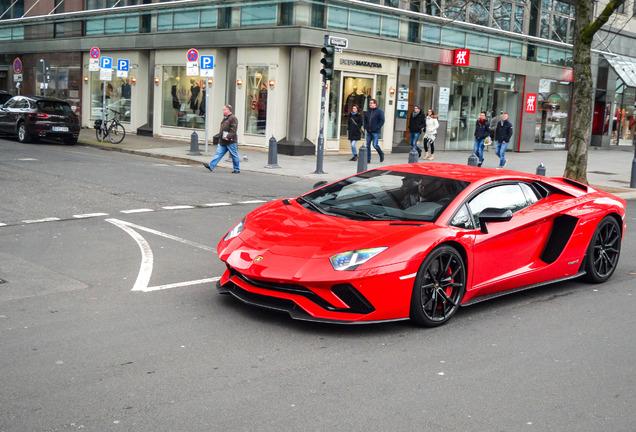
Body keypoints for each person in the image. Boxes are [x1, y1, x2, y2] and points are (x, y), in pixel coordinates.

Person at [203, 105, 240, 173]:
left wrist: (228, 136)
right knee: (218, 154)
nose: (223, 111)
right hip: (223, 141)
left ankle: (237, 169)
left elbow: (233, 130)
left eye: (224, 109)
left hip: (230, 141)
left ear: (228, 110)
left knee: (234, 155)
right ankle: (211, 166)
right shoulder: (225, 118)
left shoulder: (233, 118)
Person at [363, 98, 385, 163]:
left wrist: (377, 127)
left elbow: (382, 120)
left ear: (375, 104)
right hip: (369, 131)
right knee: (368, 145)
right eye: (370, 103)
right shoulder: (368, 112)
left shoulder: (379, 111)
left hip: (375, 131)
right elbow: (366, 120)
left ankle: (381, 154)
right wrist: (365, 127)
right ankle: (368, 159)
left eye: (372, 103)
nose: (370, 104)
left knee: (375, 145)